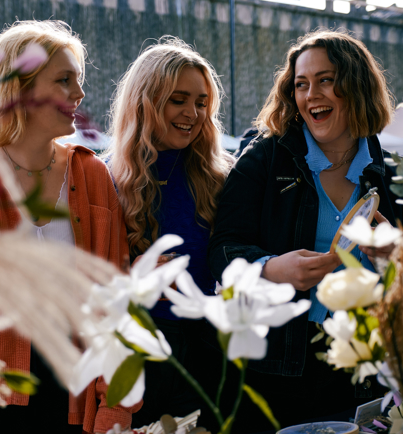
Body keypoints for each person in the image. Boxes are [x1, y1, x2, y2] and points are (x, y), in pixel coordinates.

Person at [207, 29, 402, 431]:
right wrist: (271, 267)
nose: (311, 94)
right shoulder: (265, 157)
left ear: (356, 85)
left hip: (356, 364)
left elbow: (390, 271)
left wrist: (392, 258)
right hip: (275, 366)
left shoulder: (376, 165)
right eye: (301, 84)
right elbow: (220, 251)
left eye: (326, 80)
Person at [0, 20, 141, 434]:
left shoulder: (90, 173)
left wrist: (116, 409)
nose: (80, 94)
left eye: (79, 80)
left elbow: (116, 302)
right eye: (64, 80)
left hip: (70, 396)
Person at [106, 37, 234, 428]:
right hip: (136, 347)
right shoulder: (103, 176)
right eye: (178, 100)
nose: (193, 113)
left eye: (201, 103)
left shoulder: (221, 175)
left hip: (207, 346)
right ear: (144, 100)